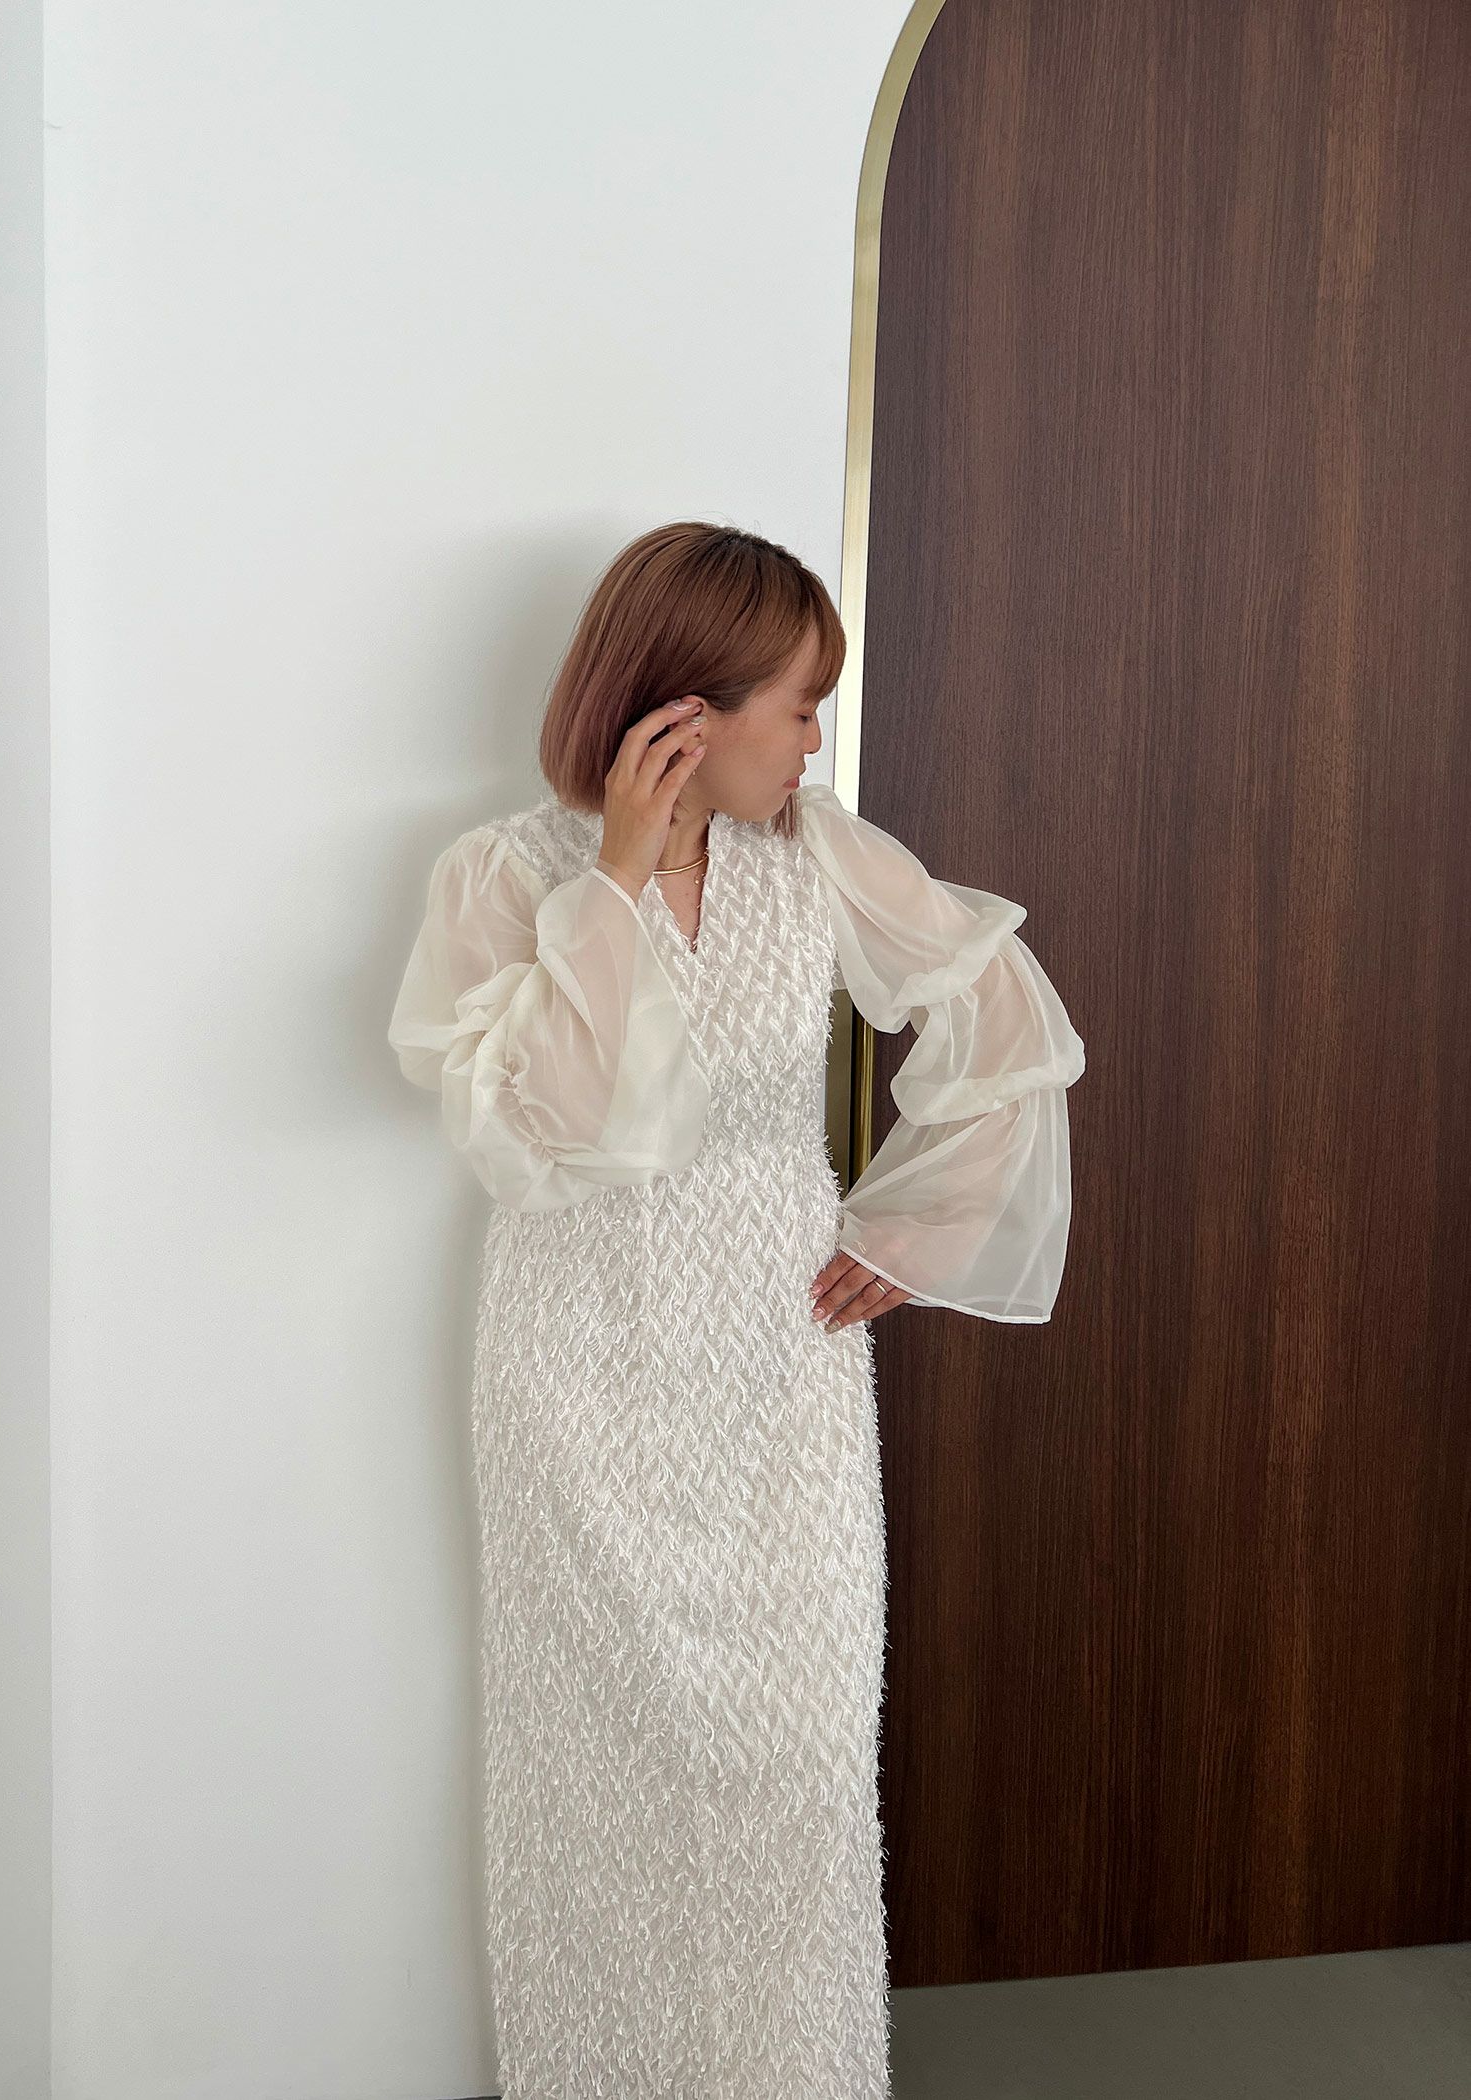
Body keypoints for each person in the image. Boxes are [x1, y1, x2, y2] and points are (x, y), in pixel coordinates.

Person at [387, 521, 1086, 2099]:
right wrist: (619, 880)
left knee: (802, 1751)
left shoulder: (819, 856)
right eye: (799, 705)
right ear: (683, 716)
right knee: (604, 1758)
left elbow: (1004, 1016)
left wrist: (916, 1227)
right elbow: (563, 1136)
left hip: (783, 1365)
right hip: (579, 1368)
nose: (817, 740)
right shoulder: (505, 876)